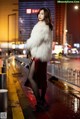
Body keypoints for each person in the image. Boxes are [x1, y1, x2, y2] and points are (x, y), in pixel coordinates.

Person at [25, 7, 53, 111]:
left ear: (45, 16)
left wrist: (27, 45)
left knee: (31, 77)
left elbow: (34, 41)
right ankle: (41, 101)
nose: (39, 15)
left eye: (42, 14)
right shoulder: (46, 26)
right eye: (39, 13)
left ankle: (40, 102)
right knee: (41, 79)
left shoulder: (43, 27)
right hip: (41, 56)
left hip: (39, 56)